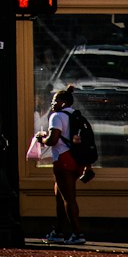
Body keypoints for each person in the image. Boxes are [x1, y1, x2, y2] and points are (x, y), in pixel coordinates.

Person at [39, 84, 87, 245]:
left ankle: (77, 233)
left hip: (63, 159)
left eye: (55, 101)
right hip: (76, 160)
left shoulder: (57, 116)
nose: (52, 104)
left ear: (63, 102)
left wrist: (41, 139)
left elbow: (53, 140)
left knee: (69, 198)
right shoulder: (77, 116)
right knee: (60, 196)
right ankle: (59, 231)